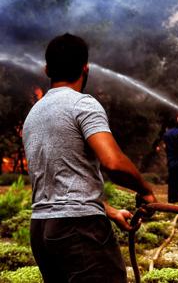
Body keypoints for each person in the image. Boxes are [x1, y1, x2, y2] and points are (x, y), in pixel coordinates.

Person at [22, 33, 157, 283]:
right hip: (79, 230)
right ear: (86, 68)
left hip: (41, 230)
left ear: (47, 69)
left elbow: (61, 182)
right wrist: (145, 189)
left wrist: (109, 211)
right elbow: (113, 163)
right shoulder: (82, 104)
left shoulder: (34, 115)